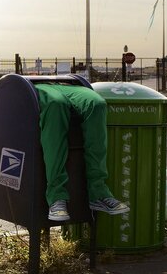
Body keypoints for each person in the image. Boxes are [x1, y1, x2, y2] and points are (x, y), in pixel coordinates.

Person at [36, 83, 130, 221]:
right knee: (56, 104)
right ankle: (56, 197)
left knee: (97, 104)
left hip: (69, 83)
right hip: (37, 84)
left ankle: (98, 193)